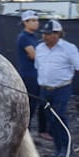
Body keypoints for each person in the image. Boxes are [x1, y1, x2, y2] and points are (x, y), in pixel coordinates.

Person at [34, 19, 79, 157]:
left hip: (62, 88)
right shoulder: (40, 48)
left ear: (57, 34)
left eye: (48, 34)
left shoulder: (69, 48)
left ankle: (66, 149)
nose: (45, 36)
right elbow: (38, 66)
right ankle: (58, 149)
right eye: (44, 33)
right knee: (50, 119)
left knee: (59, 117)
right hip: (45, 89)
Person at [16, 10, 49, 140]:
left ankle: (42, 131)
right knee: (30, 105)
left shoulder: (34, 37)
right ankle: (25, 135)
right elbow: (34, 56)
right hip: (29, 76)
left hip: (39, 75)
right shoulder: (23, 37)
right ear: (25, 22)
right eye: (33, 21)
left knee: (41, 103)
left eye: (37, 20)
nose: (36, 23)